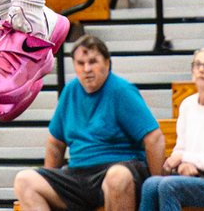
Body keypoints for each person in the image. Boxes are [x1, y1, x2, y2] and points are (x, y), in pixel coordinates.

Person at [15, 35, 164, 211]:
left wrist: (155, 189)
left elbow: (154, 138)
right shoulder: (70, 91)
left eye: (93, 62)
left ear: (107, 63)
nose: (87, 69)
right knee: (24, 180)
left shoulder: (122, 90)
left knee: (117, 177)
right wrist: (50, 176)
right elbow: (55, 144)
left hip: (119, 168)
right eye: (80, 63)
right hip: (78, 174)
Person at [140, 49, 204, 211]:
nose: (201, 69)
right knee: (150, 185)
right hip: (191, 178)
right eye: (197, 64)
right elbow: (180, 150)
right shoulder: (187, 105)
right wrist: (182, 164)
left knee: (168, 186)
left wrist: (186, 158)